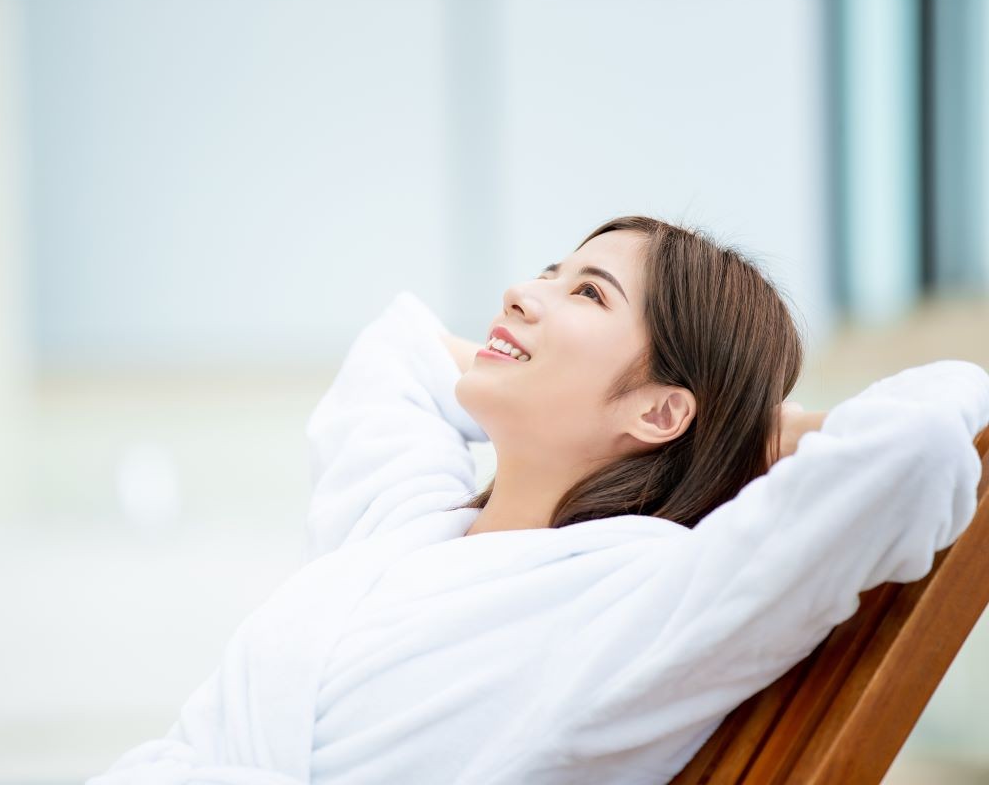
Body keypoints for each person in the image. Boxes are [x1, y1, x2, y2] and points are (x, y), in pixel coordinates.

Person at [89, 215, 989, 784]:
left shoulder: (646, 601)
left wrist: (755, 427)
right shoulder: (411, 523)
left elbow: (909, 451)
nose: (523, 293)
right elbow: (396, 353)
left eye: (587, 293)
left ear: (662, 408)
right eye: (550, 271)